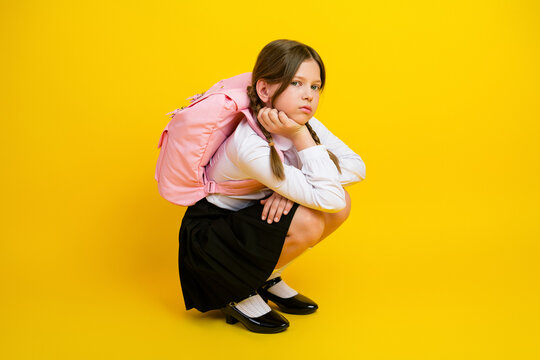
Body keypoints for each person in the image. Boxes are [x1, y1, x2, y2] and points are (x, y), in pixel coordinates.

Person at [177, 39, 366, 334]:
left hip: (252, 218)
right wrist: (302, 141)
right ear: (264, 90)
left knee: (342, 203)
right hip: (212, 242)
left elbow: (357, 165)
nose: (309, 95)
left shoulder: (298, 121)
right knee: (311, 218)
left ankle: (266, 276)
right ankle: (237, 290)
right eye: (296, 83)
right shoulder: (248, 144)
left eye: (315, 86)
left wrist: (288, 190)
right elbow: (327, 197)